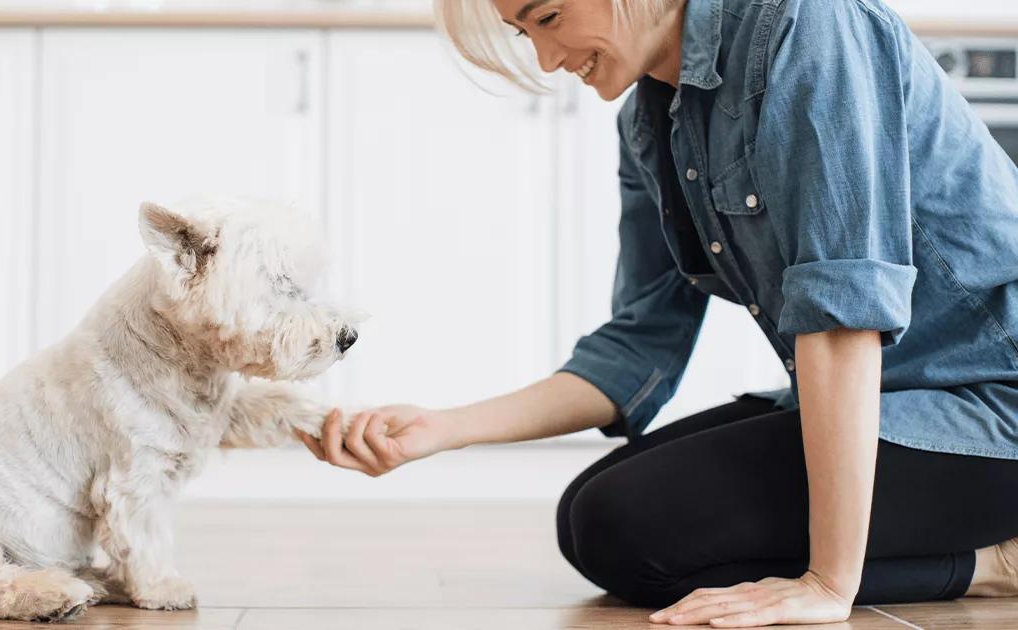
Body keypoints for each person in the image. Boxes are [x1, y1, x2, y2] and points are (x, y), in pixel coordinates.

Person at [297, 0, 1018, 625]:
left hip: (994, 410)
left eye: (549, 17)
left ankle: (994, 566)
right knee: (591, 518)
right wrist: (443, 429)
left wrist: (827, 584)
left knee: (634, 523)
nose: (548, 60)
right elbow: (638, 348)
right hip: (903, 403)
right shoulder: (651, 119)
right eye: (524, 34)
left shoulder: (807, 24)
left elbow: (841, 317)